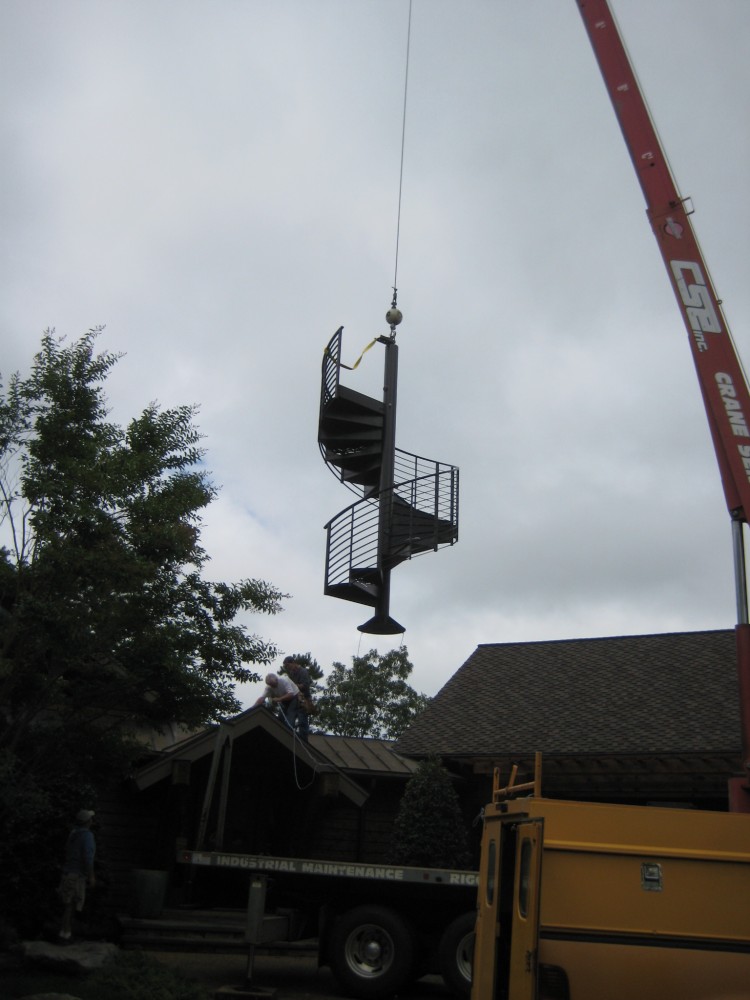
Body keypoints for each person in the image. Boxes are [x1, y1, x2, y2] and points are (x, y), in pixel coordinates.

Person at [58, 808, 96, 942]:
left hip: (68, 872)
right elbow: (88, 857)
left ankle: (65, 932)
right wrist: (91, 876)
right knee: (72, 904)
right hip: (77, 874)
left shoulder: (73, 834)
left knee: (68, 904)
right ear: (87, 822)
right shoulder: (87, 836)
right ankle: (65, 934)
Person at [253, 672, 302, 736]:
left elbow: (291, 694)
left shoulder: (284, 680)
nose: (273, 686)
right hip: (283, 699)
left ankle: (289, 736)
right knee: (280, 719)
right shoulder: (268, 687)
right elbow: (262, 698)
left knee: (290, 717)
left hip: (293, 697)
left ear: (276, 680)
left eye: (273, 684)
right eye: (271, 685)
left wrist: (279, 699)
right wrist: (253, 707)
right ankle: (279, 735)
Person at [282, 656, 312, 741]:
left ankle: (304, 742)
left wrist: (293, 686)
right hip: (294, 700)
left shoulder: (303, 672)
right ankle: (289, 739)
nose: (288, 668)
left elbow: (305, 686)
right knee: (290, 720)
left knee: (302, 721)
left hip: (304, 699)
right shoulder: (291, 674)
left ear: (293, 663)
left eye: (288, 665)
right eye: (286, 667)